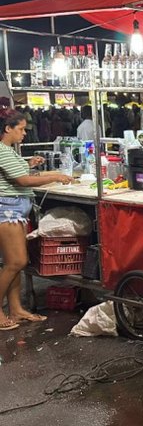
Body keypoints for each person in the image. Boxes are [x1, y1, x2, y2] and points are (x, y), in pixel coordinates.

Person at [0, 109, 73, 331]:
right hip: (7, 211)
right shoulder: (2, 151)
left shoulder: (9, 151)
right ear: (7, 129)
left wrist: (31, 164)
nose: (24, 134)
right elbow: (22, 181)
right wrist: (55, 176)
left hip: (17, 211)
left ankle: (16, 309)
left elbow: (21, 172)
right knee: (17, 262)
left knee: (14, 264)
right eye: (21, 129)